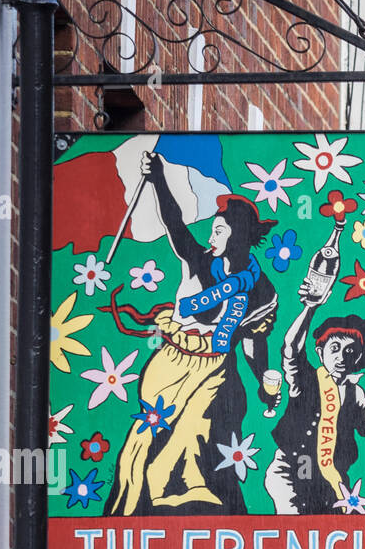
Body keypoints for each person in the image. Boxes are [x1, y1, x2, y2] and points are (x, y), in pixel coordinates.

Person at [105, 152, 278, 515]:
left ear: (239, 236)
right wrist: (158, 179)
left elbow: (252, 341)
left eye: (219, 230)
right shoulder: (198, 259)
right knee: (146, 435)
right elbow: (174, 222)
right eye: (213, 229)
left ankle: (184, 495)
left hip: (214, 366)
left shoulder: (261, 289)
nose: (211, 235)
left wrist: (264, 380)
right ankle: (132, 506)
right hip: (171, 362)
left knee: (196, 431)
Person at [264, 291, 365, 514]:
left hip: (331, 482)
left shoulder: (355, 394)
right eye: (335, 349)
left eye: (350, 351)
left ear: (358, 358)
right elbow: (290, 348)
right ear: (320, 353)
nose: (342, 357)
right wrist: (310, 307)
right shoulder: (304, 380)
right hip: (289, 473)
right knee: (294, 526)